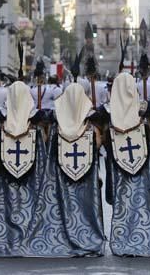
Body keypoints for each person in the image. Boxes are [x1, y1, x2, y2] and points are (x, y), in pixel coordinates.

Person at [0, 81, 75, 256]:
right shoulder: (36, 123)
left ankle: (7, 235)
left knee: (8, 200)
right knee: (31, 199)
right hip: (32, 172)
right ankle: (32, 233)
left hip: (6, 170)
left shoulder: (1, 122)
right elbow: (45, 144)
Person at [104, 72, 150, 256]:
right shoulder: (142, 115)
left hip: (119, 169)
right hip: (141, 167)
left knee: (123, 203)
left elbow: (106, 143)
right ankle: (144, 238)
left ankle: (122, 240)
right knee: (141, 201)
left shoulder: (108, 113)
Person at [49, 82, 105, 255]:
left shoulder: (56, 128)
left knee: (64, 204)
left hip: (62, 177)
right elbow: (96, 147)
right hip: (86, 178)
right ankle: (88, 235)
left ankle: (63, 236)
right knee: (86, 206)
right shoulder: (91, 128)